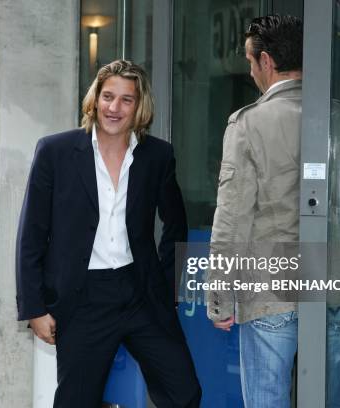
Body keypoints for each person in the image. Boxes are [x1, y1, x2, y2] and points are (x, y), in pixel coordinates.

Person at [16, 60, 201, 407]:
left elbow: (176, 225)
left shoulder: (158, 155)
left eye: (126, 100)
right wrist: (35, 308)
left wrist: (167, 289)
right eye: (108, 96)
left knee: (184, 392)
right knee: (77, 400)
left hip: (141, 294)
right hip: (83, 297)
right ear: (95, 100)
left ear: (139, 106)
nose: (114, 108)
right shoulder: (55, 152)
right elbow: (31, 234)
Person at [206, 15, 303, 408]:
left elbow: (232, 220)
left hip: (270, 294)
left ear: (266, 61)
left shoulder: (249, 124)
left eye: (249, 62)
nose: (250, 72)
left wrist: (219, 298)